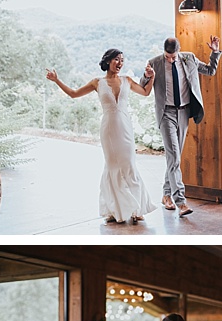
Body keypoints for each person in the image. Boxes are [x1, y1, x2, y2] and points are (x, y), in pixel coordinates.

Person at [45, 49, 158, 224]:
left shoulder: (127, 80)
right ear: (108, 61)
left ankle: (137, 208)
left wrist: (152, 77)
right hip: (108, 130)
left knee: (129, 165)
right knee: (112, 167)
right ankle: (113, 209)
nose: (120, 63)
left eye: (122, 60)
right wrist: (56, 80)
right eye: (116, 60)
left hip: (125, 128)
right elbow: (74, 94)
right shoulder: (97, 83)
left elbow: (145, 92)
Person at [140, 36, 222, 217]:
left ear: (178, 51)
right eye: (167, 56)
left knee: (173, 158)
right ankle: (181, 201)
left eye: (173, 57)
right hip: (166, 113)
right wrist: (146, 77)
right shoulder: (154, 63)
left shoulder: (189, 58)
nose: (170, 59)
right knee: (174, 156)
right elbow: (142, 86)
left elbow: (210, 71)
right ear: (164, 52)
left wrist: (215, 52)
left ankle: (166, 195)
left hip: (184, 112)